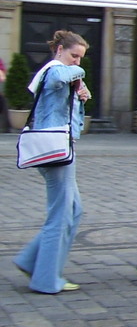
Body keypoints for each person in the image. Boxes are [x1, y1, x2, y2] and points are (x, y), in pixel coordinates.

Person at [13, 30, 91, 294]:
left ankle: (30, 261)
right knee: (61, 214)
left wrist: (79, 96)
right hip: (55, 148)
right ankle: (46, 278)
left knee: (73, 210)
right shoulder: (55, 69)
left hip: (59, 147)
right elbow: (59, 77)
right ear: (59, 50)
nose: (77, 62)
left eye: (81, 58)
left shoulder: (60, 71)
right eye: (74, 56)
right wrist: (79, 77)